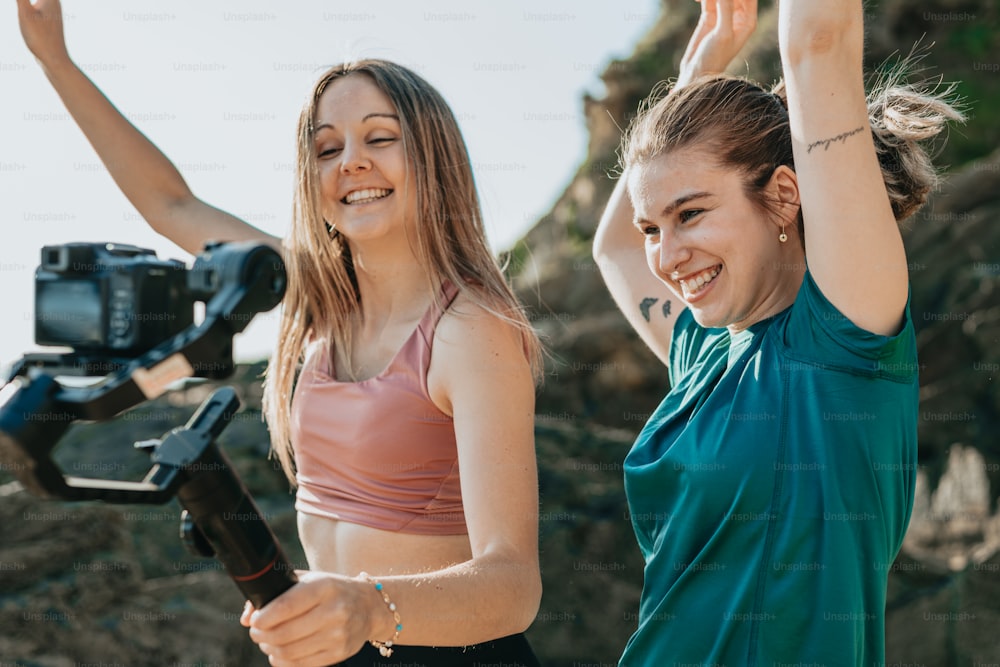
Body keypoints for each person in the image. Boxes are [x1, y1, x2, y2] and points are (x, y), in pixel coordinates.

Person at [16, 1, 545, 665]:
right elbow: (168, 204)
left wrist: (364, 605)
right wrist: (55, 61)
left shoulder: (471, 330)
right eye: (328, 148)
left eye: (380, 138)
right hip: (338, 645)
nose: (350, 161)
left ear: (434, 156)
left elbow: (513, 584)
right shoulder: (314, 297)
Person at [593, 0, 963, 665]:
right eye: (656, 227)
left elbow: (819, 40)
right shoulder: (703, 348)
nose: (665, 254)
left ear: (784, 194)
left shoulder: (839, 345)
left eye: (692, 213)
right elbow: (613, 250)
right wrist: (695, 76)